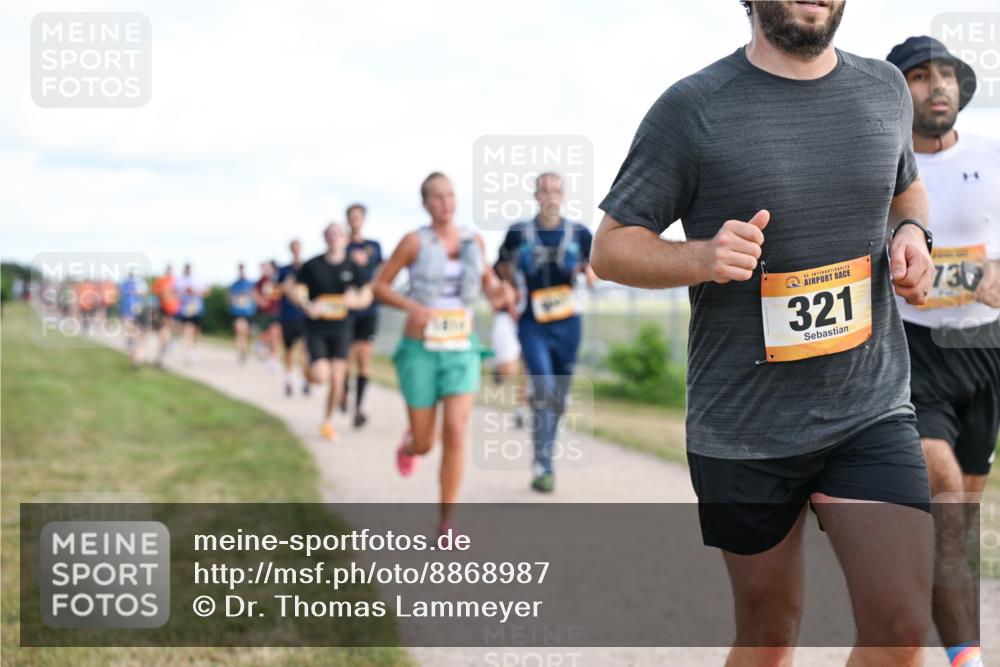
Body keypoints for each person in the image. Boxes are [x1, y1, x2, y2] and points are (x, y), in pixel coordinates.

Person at [592, 2, 936, 664]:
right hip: (744, 425)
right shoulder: (692, 109)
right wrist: (700, 257)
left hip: (870, 406)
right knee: (769, 634)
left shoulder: (885, 88)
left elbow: (906, 189)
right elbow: (610, 249)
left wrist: (912, 234)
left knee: (899, 627)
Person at [888, 35, 1000, 667]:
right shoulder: (885, 164)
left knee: (959, 518)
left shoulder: (994, 154)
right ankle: (967, 658)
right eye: (920, 76)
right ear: (897, 92)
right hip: (913, 347)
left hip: (985, 346)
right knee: (944, 489)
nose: (937, 86)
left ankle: (931, 603)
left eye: (948, 75)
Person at [373, 172, 511, 534]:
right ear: (425, 204)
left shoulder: (473, 240)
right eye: (437, 197)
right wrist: (410, 306)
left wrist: (500, 293)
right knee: (425, 443)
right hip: (420, 348)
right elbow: (379, 286)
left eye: (450, 195)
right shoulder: (413, 242)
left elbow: (487, 284)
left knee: (455, 430)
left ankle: (447, 521)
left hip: (461, 348)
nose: (446, 203)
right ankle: (411, 445)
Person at [498, 172, 594, 493]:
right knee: (543, 388)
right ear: (536, 196)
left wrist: (589, 272)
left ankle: (548, 439)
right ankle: (543, 465)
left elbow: (594, 265)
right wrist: (509, 288)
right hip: (532, 323)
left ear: (563, 195)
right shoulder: (518, 233)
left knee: (559, 397)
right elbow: (501, 266)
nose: (551, 195)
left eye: (557, 190)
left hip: (568, 324)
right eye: (545, 190)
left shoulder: (579, 233)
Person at [293, 223, 373, 441]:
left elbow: (367, 294)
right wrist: (308, 305)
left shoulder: (353, 266)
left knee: (338, 379)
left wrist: (354, 301)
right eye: (330, 234)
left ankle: (327, 422)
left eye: (338, 233)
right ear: (324, 238)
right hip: (317, 328)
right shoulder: (312, 265)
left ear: (345, 238)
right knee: (321, 376)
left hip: (342, 328)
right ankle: (307, 368)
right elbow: (298, 290)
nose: (334, 237)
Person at [343, 203, 384, 428]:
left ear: (363, 219)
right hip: (346, 309)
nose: (355, 220)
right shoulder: (342, 245)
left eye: (358, 217)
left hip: (369, 309)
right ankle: (342, 393)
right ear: (347, 220)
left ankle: (358, 408)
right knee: (345, 359)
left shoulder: (374, 246)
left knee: (364, 358)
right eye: (351, 217)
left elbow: (381, 273)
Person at [488, 259, 528, 430]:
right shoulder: (499, 267)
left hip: (528, 319)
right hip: (506, 320)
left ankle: (520, 411)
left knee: (528, 370)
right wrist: (510, 302)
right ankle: (499, 370)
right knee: (509, 371)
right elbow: (495, 302)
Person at [277, 240, 310, 396]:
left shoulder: (308, 268)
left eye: (298, 248)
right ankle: (289, 379)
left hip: (304, 316)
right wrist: (287, 285)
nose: (296, 251)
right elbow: (275, 289)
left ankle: (305, 380)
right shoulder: (284, 270)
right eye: (294, 249)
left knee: (305, 350)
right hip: (288, 315)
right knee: (289, 349)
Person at [253, 261, 283, 374]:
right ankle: (265, 350)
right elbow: (254, 292)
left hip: (277, 312)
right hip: (264, 313)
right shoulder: (262, 281)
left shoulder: (279, 279)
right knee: (267, 336)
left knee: (276, 334)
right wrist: (260, 300)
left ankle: (274, 359)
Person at [174, 263, 205, 365]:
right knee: (187, 329)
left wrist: (195, 292)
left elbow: (206, 292)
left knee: (195, 331)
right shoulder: (179, 281)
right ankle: (188, 351)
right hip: (185, 309)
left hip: (196, 308)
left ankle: (193, 349)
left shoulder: (197, 280)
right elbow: (175, 293)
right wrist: (184, 292)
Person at [151, 265, 180, 368]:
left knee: (167, 337)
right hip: (163, 312)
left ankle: (160, 358)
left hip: (173, 312)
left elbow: (179, 295)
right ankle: (159, 359)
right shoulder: (160, 281)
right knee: (164, 336)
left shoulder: (176, 281)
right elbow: (155, 294)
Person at [119, 270, 149, 368]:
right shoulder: (125, 283)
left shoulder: (138, 283)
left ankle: (136, 359)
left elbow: (143, 293)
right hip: (129, 312)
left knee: (137, 338)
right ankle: (136, 358)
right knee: (134, 337)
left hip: (137, 313)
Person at [228, 263, 257, 364]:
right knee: (240, 330)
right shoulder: (234, 285)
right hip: (237, 312)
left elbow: (255, 296)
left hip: (249, 312)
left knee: (246, 334)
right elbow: (229, 299)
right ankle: (241, 351)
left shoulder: (251, 284)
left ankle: (244, 351)